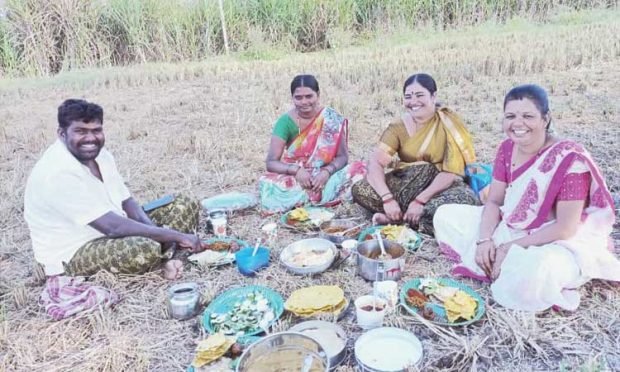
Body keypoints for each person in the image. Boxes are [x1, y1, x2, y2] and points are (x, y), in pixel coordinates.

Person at [433, 84, 620, 311]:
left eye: (528, 116)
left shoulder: (569, 159)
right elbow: (494, 201)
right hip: (512, 225)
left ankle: (511, 268)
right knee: (445, 215)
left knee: (535, 272)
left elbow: (565, 228)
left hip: (555, 241)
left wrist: (506, 248)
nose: (518, 124)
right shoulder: (506, 149)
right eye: (510, 116)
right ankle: (492, 259)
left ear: (545, 118)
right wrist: (484, 240)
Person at [24, 99, 206, 283]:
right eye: (80, 131)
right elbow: (112, 227)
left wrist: (156, 232)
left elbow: (127, 202)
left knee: (184, 203)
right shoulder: (56, 173)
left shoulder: (101, 155)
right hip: (73, 251)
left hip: (113, 227)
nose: (90, 138)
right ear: (62, 133)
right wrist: (176, 236)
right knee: (143, 249)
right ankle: (161, 262)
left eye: (96, 130)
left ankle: (163, 256)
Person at [352, 73, 480, 234]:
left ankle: (398, 220)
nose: (413, 102)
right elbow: (375, 163)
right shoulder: (398, 127)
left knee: (466, 200)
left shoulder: (448, 124)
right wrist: (387, 199)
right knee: (360, 189)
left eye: (420, 95)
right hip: (406, 186)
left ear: (434, 96)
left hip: (439, 189)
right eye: (408, 97)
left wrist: (420, 200)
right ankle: (407, 217)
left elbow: (450, 172)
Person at [258, 74, 366, 213]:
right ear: (292, 98)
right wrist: (296, 171)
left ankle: (311, 197)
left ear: (318, 95)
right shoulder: (285, 122)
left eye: (309, 96)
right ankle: (327, 196)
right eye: (298, 97)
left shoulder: (330, 119)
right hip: (296, 177)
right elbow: (271, 162)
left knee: (362, 169)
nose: (304, 102)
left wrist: (326, 172)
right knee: (270, 185)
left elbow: (343, 157)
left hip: (326, 175)